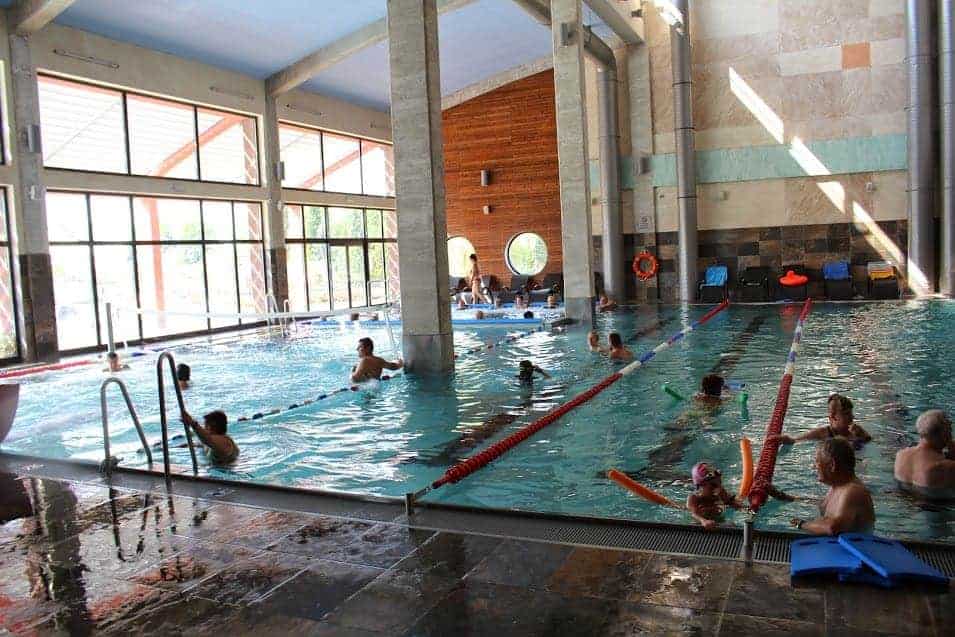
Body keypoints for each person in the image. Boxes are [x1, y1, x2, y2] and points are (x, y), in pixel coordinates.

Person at [790, 437, 875, 535]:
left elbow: (832, 528)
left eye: (817, 461)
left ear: (832, 465)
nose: (814, 466)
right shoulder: (837, 485)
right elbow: (823, 506)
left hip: (853, 548)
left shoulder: (853, 491)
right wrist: (788, 498)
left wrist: (801, 524)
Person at [894, 410, 955, 496]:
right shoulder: (944, 466)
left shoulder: (900, 455)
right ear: (944, 433)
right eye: (950, 430)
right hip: (936, 506)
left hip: (906, 500)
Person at [773, 394, 871, 446]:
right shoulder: (823, 433)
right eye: (846, 414)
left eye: (851, 413)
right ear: (833, 417)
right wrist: (787, 439)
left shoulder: (857, 431)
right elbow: (796, 440)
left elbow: (870, 442)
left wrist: (863, 436)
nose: (852, 417)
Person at [687, 462, 742, 530]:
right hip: (700, 523)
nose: (718, 488)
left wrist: (731, 502)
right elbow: (694, 514)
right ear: (700, 486)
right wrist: (703, 521)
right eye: (713, 485)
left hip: (718, 520)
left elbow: (737, 506)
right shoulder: (694, 498)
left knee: (732, 526)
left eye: (720, 484)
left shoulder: (721, 492)